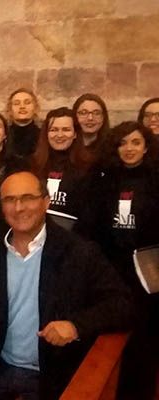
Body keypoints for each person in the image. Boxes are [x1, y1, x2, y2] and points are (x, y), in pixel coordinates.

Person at [0, 170, 134, 400]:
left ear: (46, 202)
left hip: (52, 375)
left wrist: (76, 326)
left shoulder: (79, 253)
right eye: (10, 200)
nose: (19, 207)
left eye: (28, 198)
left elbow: (124, 306)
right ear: (1, 208)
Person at [75, 121, 159, 400]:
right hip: (109, 268)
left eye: (135, 142)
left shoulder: (156, 179)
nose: (129, 149)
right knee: (104, 341)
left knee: (143, 342)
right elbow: (89, 225)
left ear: (146, 146)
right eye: (122, 143)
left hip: (147, 271)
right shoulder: (102, 179)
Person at [29, 107, 94, 219]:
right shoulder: (32, 165)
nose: (59, 135)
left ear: (75, 134)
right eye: (54, 130)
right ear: (46, 133)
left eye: (66, 129)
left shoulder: (90, 168)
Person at [71, 93, 110, 161]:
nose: (90, 118)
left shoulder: (112, 147)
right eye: (83, 113)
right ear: (75, 116)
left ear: (104, 117)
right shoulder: (67, 146)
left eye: (96, 113)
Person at [6, 88, 40, 158]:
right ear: (10, 110)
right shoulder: (3, 136)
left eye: (27, 103)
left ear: (35, 108)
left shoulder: (43, 136)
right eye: (16, 103)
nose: (22, 107)